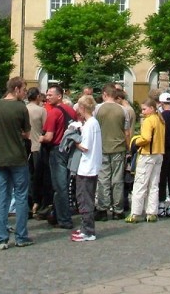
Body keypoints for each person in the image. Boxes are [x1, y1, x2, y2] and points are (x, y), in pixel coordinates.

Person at [0, 77, 33, 250]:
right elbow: (27, 134)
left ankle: (1, 238)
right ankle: (21, 236)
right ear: (16, 89)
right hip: (17, 158)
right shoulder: (21, 108)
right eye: (24, 90)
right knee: (21, 197)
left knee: (0, 197)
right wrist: (18, 133)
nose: (25, 93)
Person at [40, 85, 77, 230]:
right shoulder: (71, 111)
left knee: (59, 186)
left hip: (57, 150)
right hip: (69, 149)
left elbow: (49, 137)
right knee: (64, 183)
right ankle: (55, 215)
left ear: (59, 96)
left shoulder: (54, 113)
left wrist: (40, 138)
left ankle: (64, 219)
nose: (47, 97)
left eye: (50, 95)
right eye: (47, 95)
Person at [125, 99, 165, 223]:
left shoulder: (149, 121)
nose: (142, 112)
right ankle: (152, 213)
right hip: (159, 154)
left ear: (152, 108)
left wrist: (136, 141)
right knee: (153, 185)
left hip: (147, 154)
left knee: (140, 184)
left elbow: (146, 138)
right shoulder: (160, 120)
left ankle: (135, 213)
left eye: (144, 109)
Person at [94, 84, 130, 221]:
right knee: (117, 180)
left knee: (103, 179)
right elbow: (126, 132)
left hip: (102, 148)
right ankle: (118, 210)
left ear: (104, 94)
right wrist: (128, 147)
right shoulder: (123, 110)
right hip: (118, 148)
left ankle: (102, 209)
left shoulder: (98, 109)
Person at [72, 95, 101, 241]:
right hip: (92, 166)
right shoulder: (93, 123)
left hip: (87, 167)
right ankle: (85, 227)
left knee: (84, 199)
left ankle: (88, 231)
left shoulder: (90, 124)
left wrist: (74, 141)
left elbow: (85, 147)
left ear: (83, 108)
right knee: (85, 198)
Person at [25, 87, 47, 217]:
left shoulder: (24, 109)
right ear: (37, 96)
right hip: (38, 146)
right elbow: (45, 128)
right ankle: (38, 204)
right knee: (39, 178)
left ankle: (28, 205)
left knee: (28, 177)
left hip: (26, 146)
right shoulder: (41, 110)